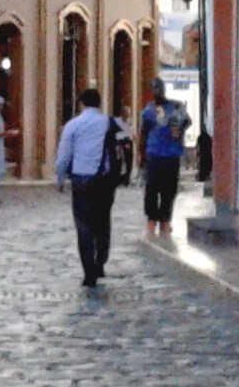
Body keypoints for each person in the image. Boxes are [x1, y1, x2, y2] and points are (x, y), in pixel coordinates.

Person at [53, 85, 125, 289]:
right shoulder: (111, 122)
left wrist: (59, 179)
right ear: (100, 103)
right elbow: (127, 141)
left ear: (81, 104)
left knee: (83, 225)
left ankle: (89, 271)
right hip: (104, 180)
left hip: (81, 180)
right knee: (102, 221)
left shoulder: (73, 125)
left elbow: (64, 155)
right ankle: (101, 260)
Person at [137, 80, 188, 237]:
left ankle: (165, 219)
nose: (157, 92)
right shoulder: (149, 111)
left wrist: (179, 130)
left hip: (172, 155)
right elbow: (143, 134)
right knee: (152, 188)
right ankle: (152, 219)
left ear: (164, 90)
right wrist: (141, 154)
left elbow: (186, 122)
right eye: (154, 89)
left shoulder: (176, 107)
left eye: (159, 89)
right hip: (154, 154)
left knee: (169, 189)